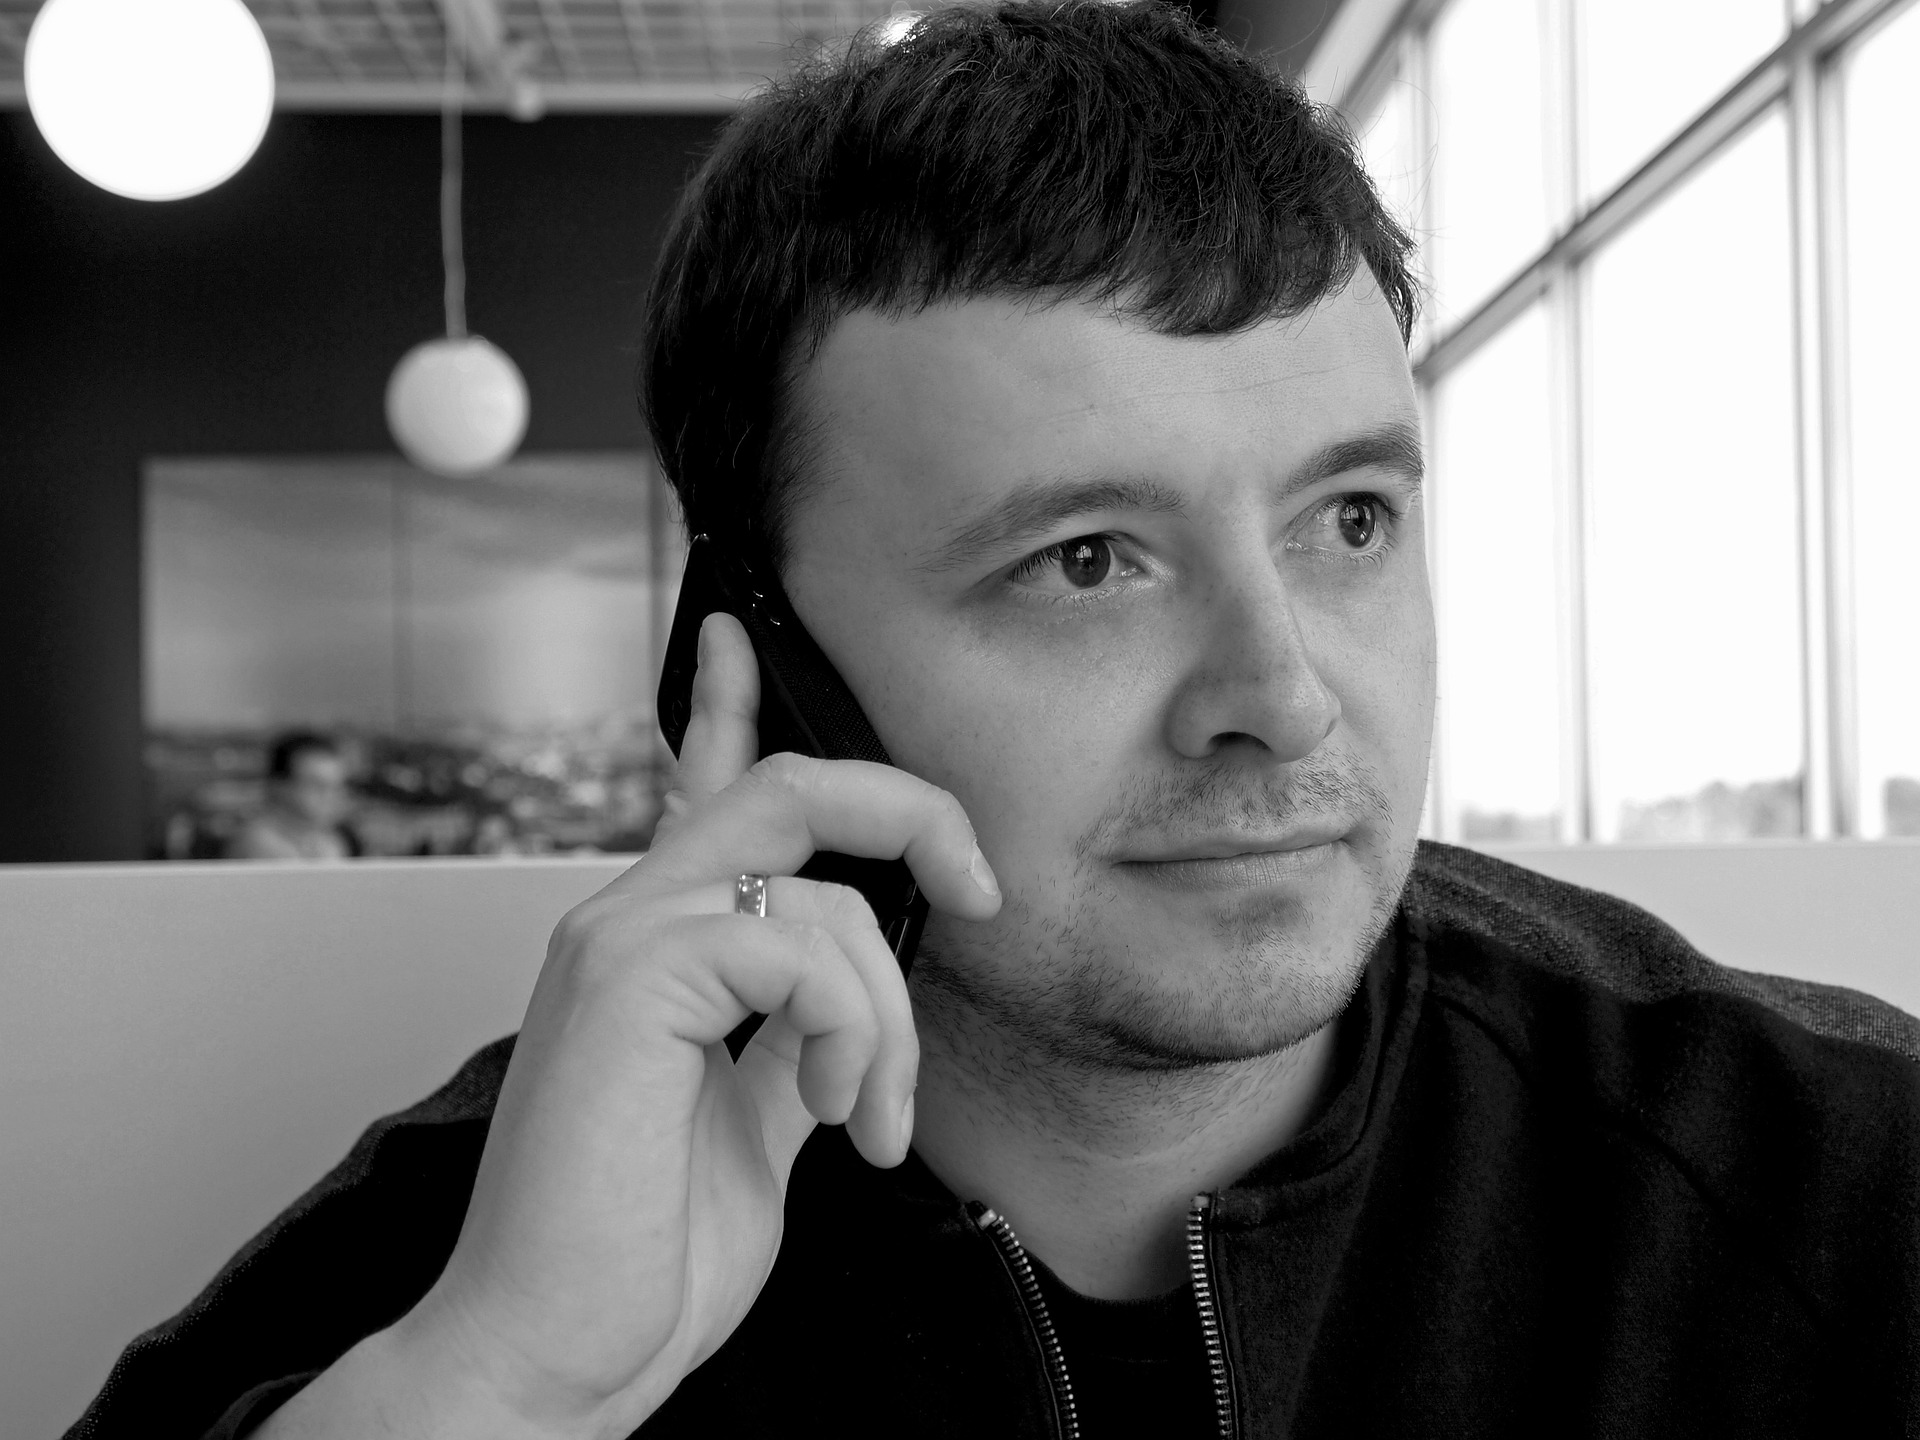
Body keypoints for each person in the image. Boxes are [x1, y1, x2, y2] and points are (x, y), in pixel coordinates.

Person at [70, 5, 1919, 1436]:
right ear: (753, 663)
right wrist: (510, 1390)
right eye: (1087, 561)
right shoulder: (477, 1271)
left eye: (1351, 522)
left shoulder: (1831, 1180)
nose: (1282, 699)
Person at [224, 732, 359, 862]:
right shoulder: (258, 842)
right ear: (279, 786)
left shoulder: (332, 842)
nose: (330, 796)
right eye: (316, 785)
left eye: (337, 786)